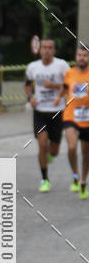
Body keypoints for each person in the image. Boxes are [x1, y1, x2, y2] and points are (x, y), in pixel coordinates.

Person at [24, 39, 68, 193]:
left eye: (50, 48)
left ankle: (50, 153)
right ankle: (44, 179)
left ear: (54, 51)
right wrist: (30, 99)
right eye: (44, 48)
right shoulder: (33, 67)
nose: (47, 51)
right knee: (42, 143)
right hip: (40, 112)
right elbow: (28, 85)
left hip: (57, 111)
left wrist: (55, 88)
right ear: (40, 50)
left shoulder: (62, 65)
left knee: (54, 150)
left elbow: (68, 84)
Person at [57, 45, 89, 199]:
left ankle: (83, 181)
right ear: (76, 57)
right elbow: (64, 88)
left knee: (86, 154)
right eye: (79, 55)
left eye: (85, 55)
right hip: (71, 116)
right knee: (71, 146)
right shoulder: (69, 73)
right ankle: (75, 175)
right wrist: (58, 97)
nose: (81, 58)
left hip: (87, 119)